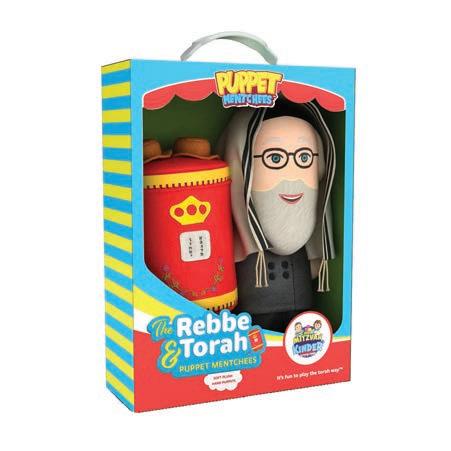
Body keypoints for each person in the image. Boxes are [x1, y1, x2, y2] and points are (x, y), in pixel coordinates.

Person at [217, 100, 336, 332]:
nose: (292, 176)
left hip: (303, 313)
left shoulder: (303, 229)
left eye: (304, 158)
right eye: (275, 158)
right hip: (254, 309)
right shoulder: (238, 238)